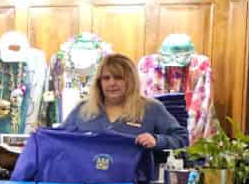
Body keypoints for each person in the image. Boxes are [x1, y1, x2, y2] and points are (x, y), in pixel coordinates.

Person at [60, 53, 189, 151]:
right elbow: (58, 138)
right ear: (99, 82)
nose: (112, 83)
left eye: (118, 78)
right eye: (106, 78)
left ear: (130, 80)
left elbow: (182, 138)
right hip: (89, 183)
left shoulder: (152, 108)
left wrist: (158, 140)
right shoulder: (82, 109)